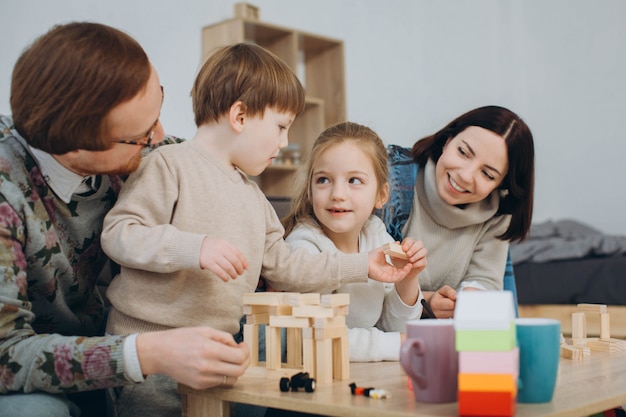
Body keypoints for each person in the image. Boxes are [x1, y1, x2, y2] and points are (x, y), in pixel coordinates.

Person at [100, 43, 418, 416]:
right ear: (239, 116)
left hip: (215, 355)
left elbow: (288, 268)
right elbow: (119, 232)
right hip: (150, 356)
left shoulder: (254, 198)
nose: (284, 143)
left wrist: (364, 265)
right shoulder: (168, 165)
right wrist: (195, 248)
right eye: (280, 128)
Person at [0, 22, 250, 417]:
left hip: (109, 337)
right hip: (34, 370)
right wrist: (148, 353)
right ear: (76, 146)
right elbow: (6, 355)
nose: (162, 136)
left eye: (160, 107)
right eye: (141, 134)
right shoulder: (6, 192)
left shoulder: (152, 155)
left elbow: (208, 163)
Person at [281, 121, 427, 362]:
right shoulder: (304, 247)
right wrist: (397, 345)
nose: (337, 193)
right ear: (309, 190)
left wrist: (409, 279)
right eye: (323, 180)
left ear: (381, 195)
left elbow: (396, 328)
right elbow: (319, 337)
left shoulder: (376, 234)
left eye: (354, 181)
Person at [380, 105, 535, 318]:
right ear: (447, 140)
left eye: (488, 174)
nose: (465, 175)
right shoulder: (391, 179)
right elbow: (362, 281)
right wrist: (426, 301)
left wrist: (467, 302)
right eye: (463, 152)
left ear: (501, 185)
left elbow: (485, 282)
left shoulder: (497, 215)